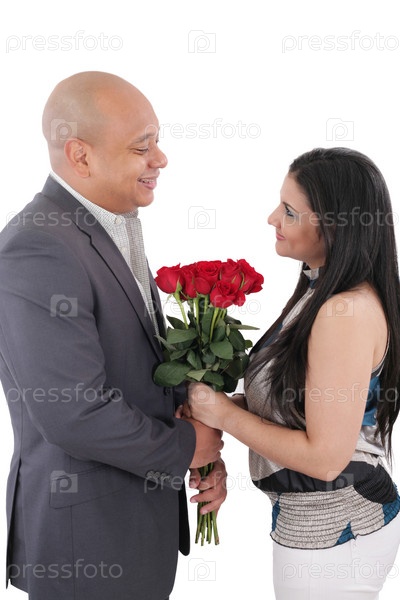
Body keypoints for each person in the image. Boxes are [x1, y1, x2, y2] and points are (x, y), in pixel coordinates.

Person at [0, 71, 227, 600]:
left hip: (134, 531)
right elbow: (73, 411)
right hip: (86, 546)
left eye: (157, 142)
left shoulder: (107, 222)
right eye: (141, 147)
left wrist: (201, 453)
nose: (160, 159)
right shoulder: (39, 245)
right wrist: (186, 446)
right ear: (80, 155)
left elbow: (138, 369)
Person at [187, 147, 400, 599]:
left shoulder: (344, 312)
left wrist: (223, 415)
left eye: (289, 211)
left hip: (337, 531)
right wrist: (217, 409)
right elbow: (301, 406)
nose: (272, 219)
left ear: (334, 226)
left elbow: (325, 459)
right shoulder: (321, 290)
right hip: (321, 524)